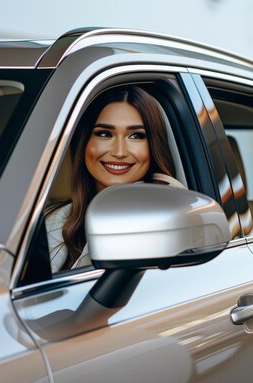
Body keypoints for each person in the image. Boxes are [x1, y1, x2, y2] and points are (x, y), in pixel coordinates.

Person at [45, 86, 185, 273]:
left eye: (136, 136)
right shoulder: (53, 219)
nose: (119, 152)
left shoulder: (166, 217)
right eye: (104, 134)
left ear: (152, 146)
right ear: (85, 142)